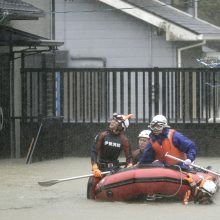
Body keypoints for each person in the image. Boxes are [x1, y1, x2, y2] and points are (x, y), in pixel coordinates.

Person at [87, 113, 133, 199]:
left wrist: (129, 165)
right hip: (100, 169)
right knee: (91, 183)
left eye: (115, 121)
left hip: (115, 170)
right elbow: (94, 151)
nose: (112, 121)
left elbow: (129, 158)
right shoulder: (102, 135)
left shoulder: (124, 140)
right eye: (113, 119)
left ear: (121, 126)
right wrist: (94, 167)